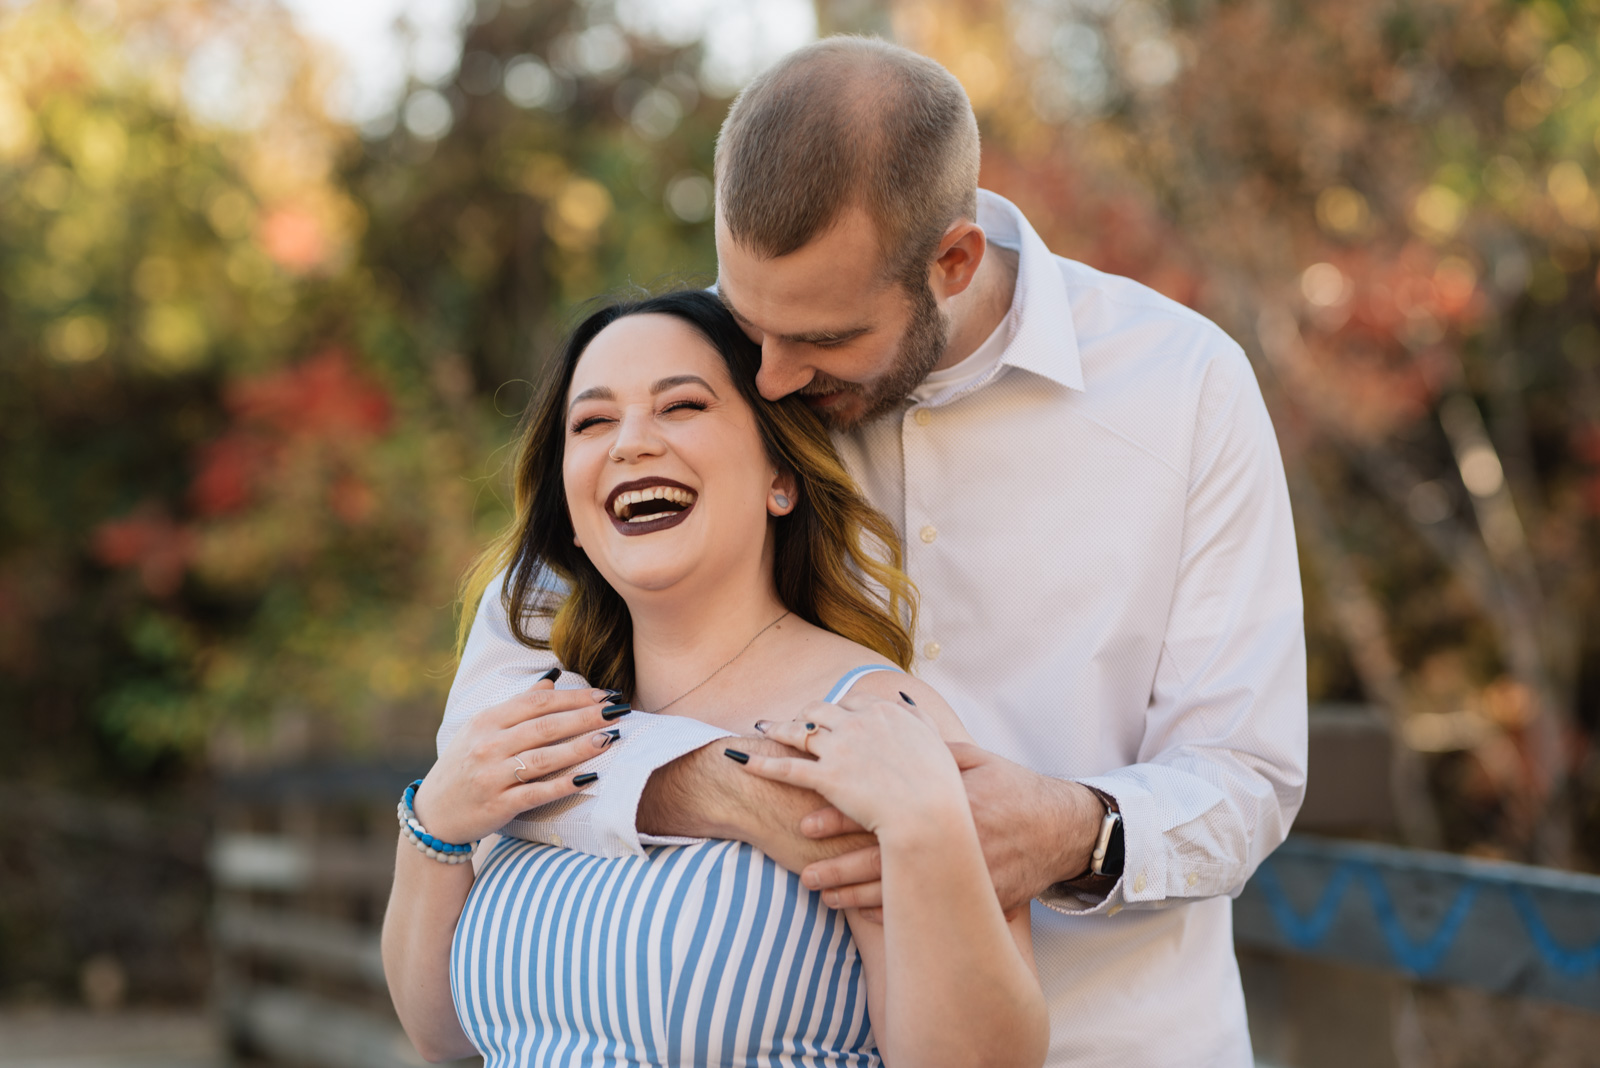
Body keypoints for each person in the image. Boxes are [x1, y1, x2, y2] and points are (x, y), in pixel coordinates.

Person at [437, 36, 1308, 1067]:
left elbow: (1247, 771)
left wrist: (1075, 829)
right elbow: (497, 713)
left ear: (952, 260)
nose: (767, 376)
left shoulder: (1183, 386)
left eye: (821, 341)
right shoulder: (709, 382)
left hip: (1122, 1038)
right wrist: (719, 783)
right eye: (747, 318)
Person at [381, 290, 1049, 1067]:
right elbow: (442, 1037)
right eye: (592, 422)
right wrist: (435, 822)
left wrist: (930, 832)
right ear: (569, 509)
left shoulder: (874, 717)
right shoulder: (536, 713)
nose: (631, 443)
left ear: (781, 478)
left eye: (682, 406)